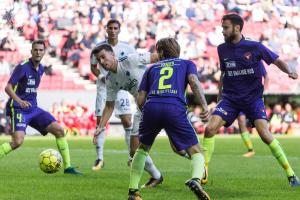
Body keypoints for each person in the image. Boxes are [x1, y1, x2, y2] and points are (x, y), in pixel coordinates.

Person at [201, 13, 299, 186]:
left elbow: (276, 60)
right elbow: (224, 74)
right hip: (230, 99)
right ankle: (204, 172)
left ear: (237, 28)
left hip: (253, 99)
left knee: (265, 135)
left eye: (225, 28)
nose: (222, 31)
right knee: (210, 129)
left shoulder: (255, 47)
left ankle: (291, 175)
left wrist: (289, 72)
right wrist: (219, 98)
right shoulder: (221, 49)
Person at [127, 38, 211, 200]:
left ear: (161, 52)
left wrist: (149, 113)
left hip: (151, 106)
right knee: (196, 151)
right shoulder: (187, 64)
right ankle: (195, 180)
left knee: (142, 149)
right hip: (174, 106)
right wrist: (205, 106)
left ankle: (133, 192)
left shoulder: (151, 69)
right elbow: (194, 82)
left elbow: (140, 98)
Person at [0, 40, 81, 175]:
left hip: (34, 109)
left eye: (40, 50)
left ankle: (68, 167)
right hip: (19, 108)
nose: (38, 52)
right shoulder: (22, 67)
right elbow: (7, 87)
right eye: (35, 50)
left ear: (44, 52)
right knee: (17, 142)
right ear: (31, 51)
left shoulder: (41, 68)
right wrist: (19, 101)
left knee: (59, 131)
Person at [92, 43, 163, 188]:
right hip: (142, 109)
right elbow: (110, 105)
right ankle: (157, 176)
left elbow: (158, 57)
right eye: (99, 60)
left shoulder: (131, 60)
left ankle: (199, 167)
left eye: (103, 57)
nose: (102, 62)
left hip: (160, 102)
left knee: (178, 147)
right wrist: (100, 127)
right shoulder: (110, 80)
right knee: (133, 149)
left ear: (113, 55)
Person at [90, 19, 135, 171]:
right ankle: (99, 158)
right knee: (100, 121)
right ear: (106, 29)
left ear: (119, 30)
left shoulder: (127, 48)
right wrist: (101, 76)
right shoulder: (98, 48)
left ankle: (131, 157)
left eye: (116, 28)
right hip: (104, 88)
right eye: (110, 28)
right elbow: (93, 67)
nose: (113, 30)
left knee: (127, 121)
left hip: (121, 88)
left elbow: (133, 64)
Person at [238, 65, 269, 158]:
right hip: (241, 96)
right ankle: (250, 149)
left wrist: (264, 90)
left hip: (254, 96)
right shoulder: (238, 58)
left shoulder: (257, 59)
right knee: (241, 121)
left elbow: (266, 75)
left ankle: (275, 146)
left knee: (262, 129)